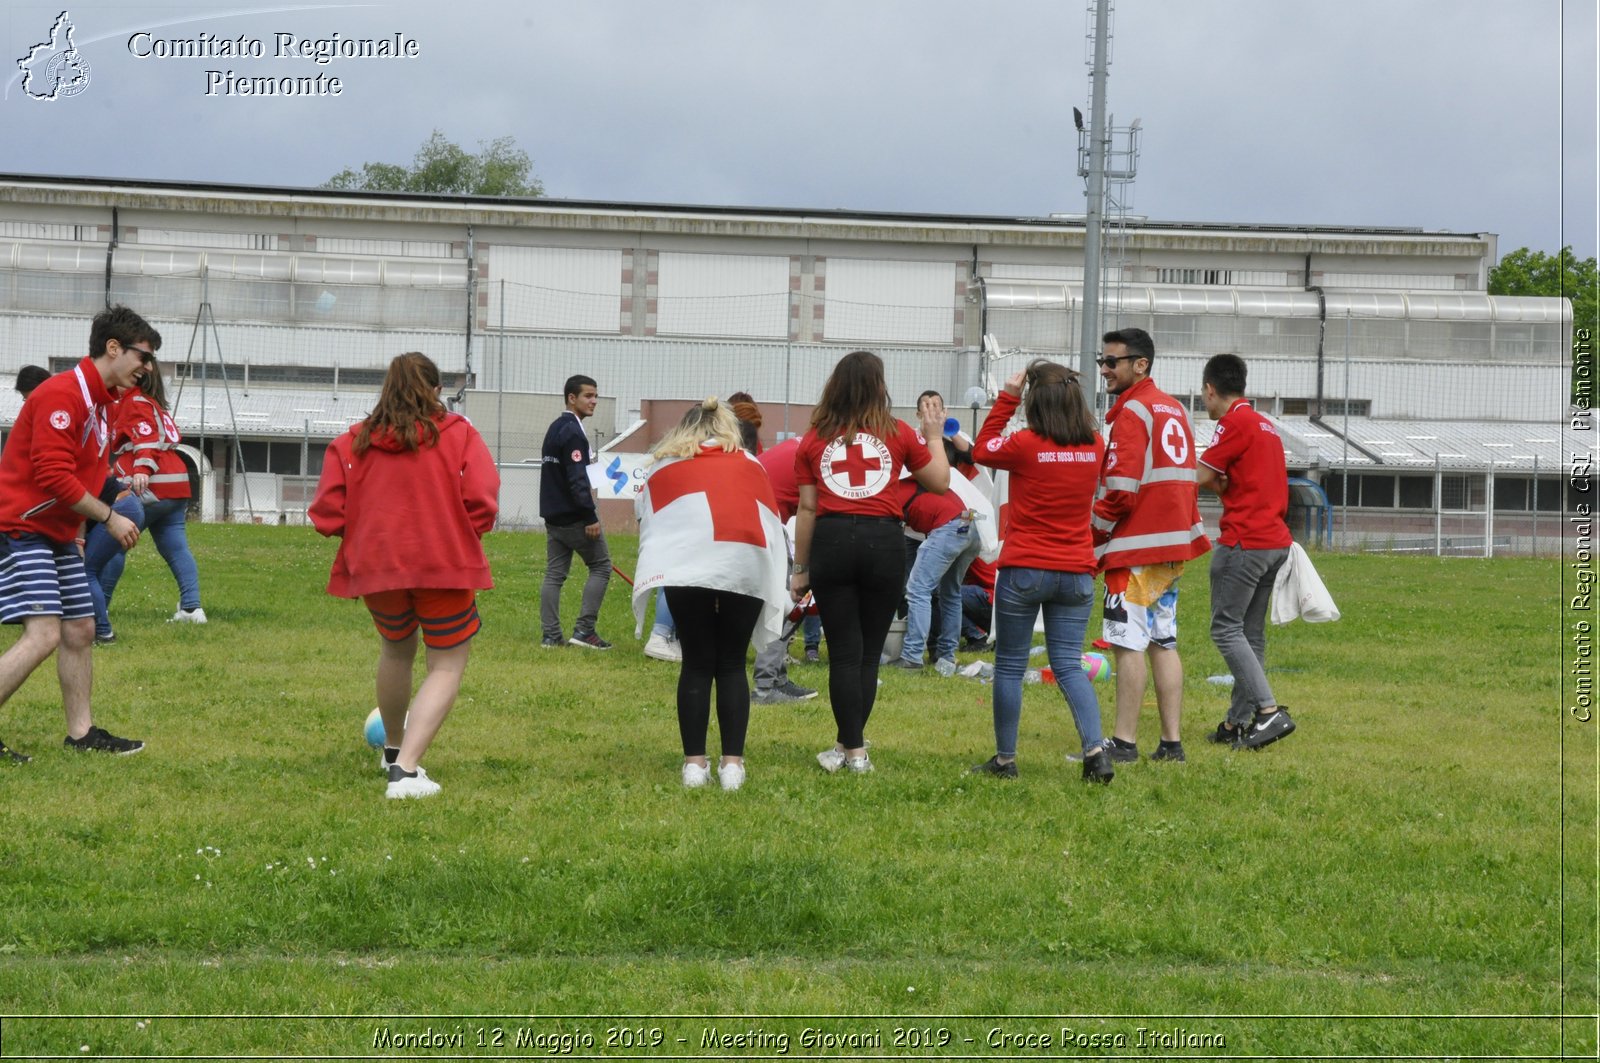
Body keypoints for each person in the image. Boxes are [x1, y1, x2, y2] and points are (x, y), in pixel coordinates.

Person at [309, 352, 499, 799]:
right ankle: (407, 772)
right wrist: (459, 528)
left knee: (396, 651)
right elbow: (483, 500)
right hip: (443, 562)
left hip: (376, 565)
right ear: (435, 391)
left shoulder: (353, 440)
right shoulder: (459, 434)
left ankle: (394, 751)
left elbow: (326, 513)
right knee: (447, 663)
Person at [0, 305, 150, 760]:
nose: (146, 368)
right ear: (113, 348)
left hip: (60, 531)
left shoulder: (103, 404)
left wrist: (113, 494)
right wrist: (108, 516)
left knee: (81, 629)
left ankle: (81, 734)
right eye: (143, 357)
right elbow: (51, 475)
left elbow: (87, 470)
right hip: (23, 527)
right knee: (44, 633)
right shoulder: (61, 394)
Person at [791, 350, 948, 774]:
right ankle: (851, 749)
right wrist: (934, 435)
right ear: (880, 386)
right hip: (884, 541)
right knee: (868, 654)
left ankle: (851, 749)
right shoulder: (897, 432)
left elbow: (806, 510)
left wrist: (799, 570)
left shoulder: (812, 439)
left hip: (831, 539)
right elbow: (940, 482)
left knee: (843, 653)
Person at [632, 398, 788, 791]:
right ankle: (732, 765)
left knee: (697, 663)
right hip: (744, 564)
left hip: (688, 567)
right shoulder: (750, 464)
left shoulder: (665, 465)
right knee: (733, 662)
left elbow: (646, 515)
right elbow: (771, 520)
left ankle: (694, 765)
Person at [971, 361, 1112, 781]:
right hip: (1076, 572)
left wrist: (1006, 398)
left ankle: (1005, 760)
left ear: (1034, 402)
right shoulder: (1096, 445)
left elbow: (981, 449)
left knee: (1011, 666)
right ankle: (1096, 753)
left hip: (1026, 568)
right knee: (1069, 664)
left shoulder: (1024, 445)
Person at [1092, 327, 1211, 765]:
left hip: (1135, 548)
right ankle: (1171, 743)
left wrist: (1093, 535)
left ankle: (1123, 742)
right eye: (1101, 361)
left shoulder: (1133, 412)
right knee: (1164, 641)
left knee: (1127, 643)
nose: (1104, 369)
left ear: (1140, 365)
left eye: (1111, 362)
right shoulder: (1174, 408)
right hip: (1172, 546)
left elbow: (1120, 491)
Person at [1195, 353, 1296, 750]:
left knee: (1224, 629)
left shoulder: (1233, 420)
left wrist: (1162, 474)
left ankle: (1269, 713)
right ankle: (1237, 723)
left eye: (1203, 396)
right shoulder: (1264, 424)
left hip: (1244, 541)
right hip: (1275, 541)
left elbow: (1202, 473)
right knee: (1249, 635)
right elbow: (1237, 480)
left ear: (1210, 389)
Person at [13, 366, 144, 646]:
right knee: (101, 566)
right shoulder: (74, 411)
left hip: (120, 507)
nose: (28, 405)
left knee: (86, 571)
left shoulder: (68, 408)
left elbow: (69, 489)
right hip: (121, 506)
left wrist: (85, 534)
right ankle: (96, 624)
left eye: (28, 398)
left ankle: (103, 631)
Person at [105, 353, 204, 625]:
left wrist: (142, 470)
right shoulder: (152, 402)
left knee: (113, 545)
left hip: (152, 483)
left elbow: (146, 437)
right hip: (177, 482)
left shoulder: (133, 401)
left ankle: (97, 608)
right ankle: (192, 609)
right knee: (176, 547)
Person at [538, 374, 612, 650]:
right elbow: (577, 478)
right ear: (572, 398)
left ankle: (551, 636)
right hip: (574, 517)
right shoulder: (573, 432)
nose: (594, 401)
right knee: (601, 566)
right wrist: (590, 516)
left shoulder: (556, 427)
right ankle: (585, 631)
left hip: (553, 516)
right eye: (588, 396)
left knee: (554, 573)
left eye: (596, 396)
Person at [887, 471, 979, 674]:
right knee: (951, 593)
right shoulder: (919, 480)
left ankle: (912, 656)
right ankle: (946, 655)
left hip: (948, 528)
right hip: (970, 524)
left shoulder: (890, 492)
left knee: (917, 590)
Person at [750, 431, 818, 704]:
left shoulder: (805, 443)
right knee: (789, 604)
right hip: (763, 524)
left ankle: (776, 679)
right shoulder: (821, 455)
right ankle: (766, 687)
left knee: (780, 602)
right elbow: (814, 513)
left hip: (756, 519)